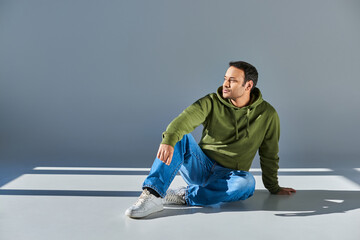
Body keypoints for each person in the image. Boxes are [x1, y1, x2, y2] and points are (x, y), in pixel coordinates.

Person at [125, 60, 296, 218]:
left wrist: (273, 187)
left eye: (233, 81)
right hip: (200, 166)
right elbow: (185, 119)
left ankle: (187, 195)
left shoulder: (267, 114)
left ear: (248, 85)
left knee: (247, 183)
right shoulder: (212, 102)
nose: (225, 84)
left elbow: (269, 153)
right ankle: (153, 195)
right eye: (225, 79)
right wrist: (169, 139)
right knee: (179, 136)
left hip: (230, 176)